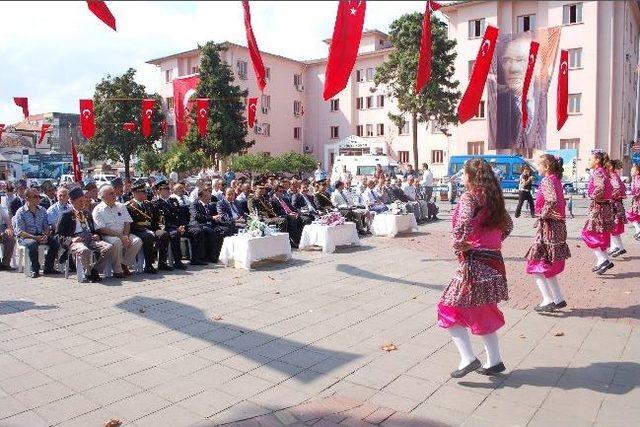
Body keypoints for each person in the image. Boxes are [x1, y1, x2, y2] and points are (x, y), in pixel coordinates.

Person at [437, 159, 513, 378]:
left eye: (463, 174)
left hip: (475, 263)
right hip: (494, 262)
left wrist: (461, 245)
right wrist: (493, 241)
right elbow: (508, 225)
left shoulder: (469, 197)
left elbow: (462, 224)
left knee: (447, 308)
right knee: (484, 310)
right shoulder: (493, 198)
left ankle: (468, 358)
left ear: (470, 177)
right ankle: (495, 361)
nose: (461, 178)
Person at [525, 155, 571, 313]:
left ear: (546, 166)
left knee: (535, 265)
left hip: (549, 228)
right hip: (557, 227)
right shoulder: (556, 180)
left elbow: (551, 201)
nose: (537, 167)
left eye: (539, 164)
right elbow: (560, 201)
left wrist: (543, 215)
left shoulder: (546, 181)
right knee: (547, 265)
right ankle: (558, 298)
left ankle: (547, 299)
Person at [56, 188, 116, 282]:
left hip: (90, 238)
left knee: (109, 247)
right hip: (77, 240)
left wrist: (96, 235)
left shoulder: (87, 213)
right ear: (72, 201)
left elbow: (94, 229)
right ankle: (87, 273)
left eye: (83, 200)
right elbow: (58, 236)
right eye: (80, 201)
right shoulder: (66, 215)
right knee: (84, 250)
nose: (82, 203)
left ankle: (95, 270)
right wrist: (72, 239)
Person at [93, 185, 143, 277]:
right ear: (103, 197)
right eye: (111, 193)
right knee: (117, 241)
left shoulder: (121, 206)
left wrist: (126, 236)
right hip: (107, 236)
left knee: (137, 241)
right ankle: (117, 270)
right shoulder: (98, 210)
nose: (114, 195)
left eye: (114, 193)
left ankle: (124, 264)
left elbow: (127, 223)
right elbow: (102, 229)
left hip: (123, 234)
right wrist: (121, 237)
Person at [581, 150, 615, 274]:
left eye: (590, 159)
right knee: (601, 234)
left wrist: (592, 196)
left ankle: (602, 259)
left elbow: (599, 188)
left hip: (599, 207)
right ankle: (605, 259)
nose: (588, 161)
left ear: (597, 161)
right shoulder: (603, 172)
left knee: (588, 233)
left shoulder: (598, 172)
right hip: (604, 207)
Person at [14, 188, 61, 278]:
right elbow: (20, 232)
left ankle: (48, 267)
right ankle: (34, 269)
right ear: (27, 198)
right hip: (25, 237)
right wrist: (34, 238)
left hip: (39, 235)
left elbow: (46, 227)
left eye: (39, 196)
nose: (38, 199)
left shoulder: (42, 210)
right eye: (35, 197)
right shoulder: (21, 212)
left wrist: (46, 236)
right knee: (32, 244)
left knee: (55, 242)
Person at [126, 182, 171, 273]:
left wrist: (158, 228)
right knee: (148, 236)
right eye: (144, 192)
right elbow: (131, 224)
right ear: (136, 193)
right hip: (137, 230)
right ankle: (149, 265)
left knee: (164, 234)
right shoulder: (129, 206)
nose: (146, 194)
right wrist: (147, 230)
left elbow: (155, 219)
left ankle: (162, 263)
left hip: (150, 228)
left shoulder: (148, 204)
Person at [189, 187, 234, 263]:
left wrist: (217, 218)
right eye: (206, 196)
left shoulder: (210, 205)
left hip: (210, 224)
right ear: (200, 197)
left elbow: (214, 217)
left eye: (209, 196)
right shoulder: (194, 204)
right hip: (199, 224)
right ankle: (210, 257)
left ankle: (219, 254)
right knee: (211, 231)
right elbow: (197, 216)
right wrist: (212, 218)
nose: (208, 198)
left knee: (226, 229)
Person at [153, 180, 188, 270]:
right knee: (174, 234)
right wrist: (177, 228)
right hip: (165, 227)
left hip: (175, 226)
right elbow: (160, 220)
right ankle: (176, 261)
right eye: (165, 189)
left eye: (168, 189)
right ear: (158, 191)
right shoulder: (156, 203)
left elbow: (178, 215)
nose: (168, 191)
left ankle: (194, 257)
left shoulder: (173, 200)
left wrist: (181, 226)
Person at [607, 159, 628, 257]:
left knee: (613, 227)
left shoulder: (612, 175)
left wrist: (610, 196)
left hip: (614, 204)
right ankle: (620, 247)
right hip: (617, 204)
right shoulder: (615, 175)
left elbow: (618, 188)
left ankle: (615, 247)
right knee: (614, 227)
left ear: (610, 167)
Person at [0, 204, 16, 271]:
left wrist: (9, 228)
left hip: (1, 229)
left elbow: (7, 218)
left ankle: (5, 264)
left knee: (10, 238)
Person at [627, 164, 640, 240]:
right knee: (635, 216)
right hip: (636, 200)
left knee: (631, 215)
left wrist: (635, 193)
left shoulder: (637, 178)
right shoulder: (635, 178)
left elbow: (637, 188)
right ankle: (638, 231)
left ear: (637, 171)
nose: (631, 171)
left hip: (637, 200)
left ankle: (638, 230)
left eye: (632, 170)